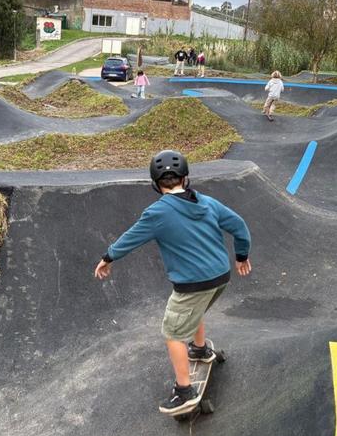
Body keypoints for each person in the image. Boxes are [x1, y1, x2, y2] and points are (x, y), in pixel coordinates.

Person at [94, 150, 252, 415]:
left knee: (173, 332)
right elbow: (239, 226)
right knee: (195, 311)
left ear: (155, 184)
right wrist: (242, 256)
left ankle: (184, 391)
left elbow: (130, 238)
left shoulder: (156, 213)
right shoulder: (208, 203)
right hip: (220, 276)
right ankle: (200, 350)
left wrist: (108, 257)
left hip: (193, 283)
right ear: (186, 179)